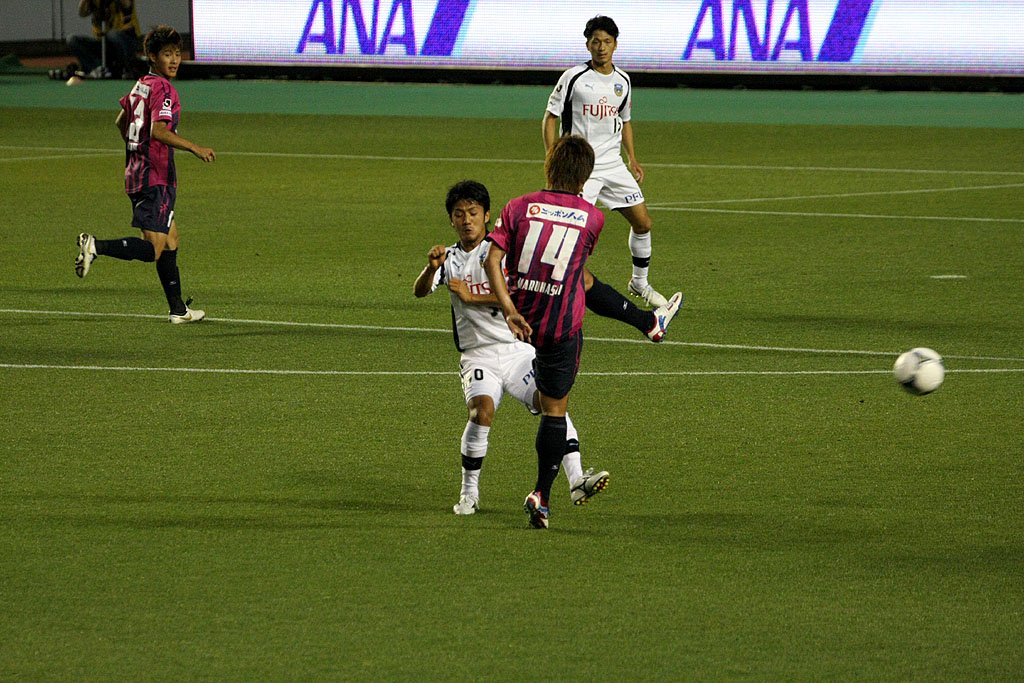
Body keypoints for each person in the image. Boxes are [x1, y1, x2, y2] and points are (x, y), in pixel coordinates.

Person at [485, 136, 681, 529]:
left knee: (583, 279)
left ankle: (648, 323)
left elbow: (493, 259)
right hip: (559, 328)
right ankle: (541, 495)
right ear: (585, 178)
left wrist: (509, 309)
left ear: (548, 166)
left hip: (519, 318)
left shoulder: (517, 206)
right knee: (554, 410)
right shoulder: (592, 218)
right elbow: (570, 266)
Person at [414, 180, 610, 516]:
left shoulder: (503, 255)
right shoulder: (449, 259)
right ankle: (469, 494)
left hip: (517, 350)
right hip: (477, 355)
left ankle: (577, 478)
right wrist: (430, 269)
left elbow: (519, 296)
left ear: (487, 215)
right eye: (459, 214)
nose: (466, 220)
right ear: (451, 220)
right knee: (481, 412)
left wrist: (471, 297)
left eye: (473, 212)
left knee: (551, 403)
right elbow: (420, 291)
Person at [75, 25, 215, 324]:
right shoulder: (164, 89)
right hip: (156, 177)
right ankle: (96, 246)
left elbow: (121, 122)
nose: (174, 60)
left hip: (137, 173)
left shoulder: (141, 84)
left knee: (171, 238)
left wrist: (136, 151)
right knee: (153, 248)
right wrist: (194, 147)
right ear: (152, 56)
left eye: (177, 54)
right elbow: (158, 130)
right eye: (167, 54)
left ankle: (178, 310)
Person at [543, 15, 670, 309]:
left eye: (607, 42)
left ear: (615, 45)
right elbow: (550, 118)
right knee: (569, 233)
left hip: (613, 165)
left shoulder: (623, 81)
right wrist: (553, 157)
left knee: (643, 223)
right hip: (579, 168)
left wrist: (632, 158)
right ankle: (555, 287)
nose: (601, 47)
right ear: (587, 45)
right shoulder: (573, 77)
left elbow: (625, 121)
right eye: (596, 41)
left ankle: (639, 283)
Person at [67, 0, 142, 79]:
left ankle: (127, 68)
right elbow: (82, 13)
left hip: (125, 40)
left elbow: (127, 4)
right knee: (72, 40)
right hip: (102, 43)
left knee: (112, 35)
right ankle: (98, 69)